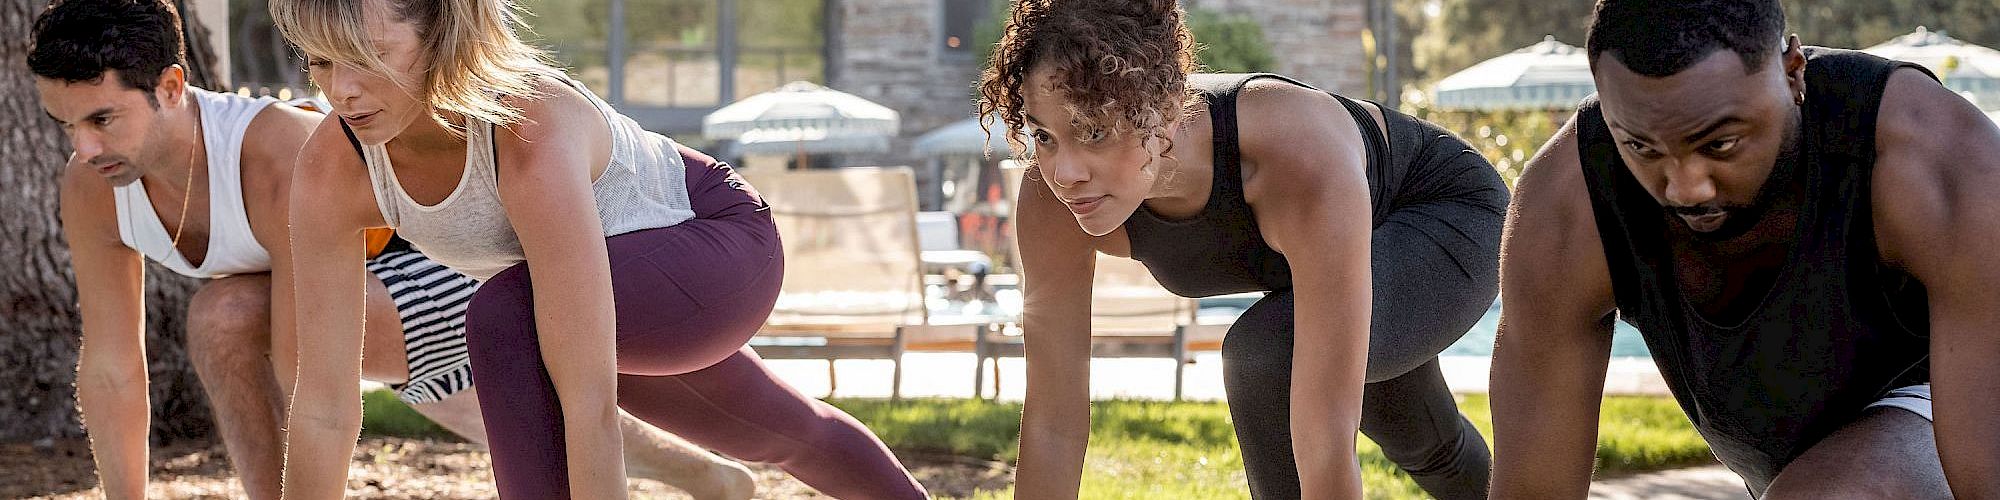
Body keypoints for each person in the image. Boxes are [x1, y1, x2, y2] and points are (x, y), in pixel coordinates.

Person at [29, 1, 755, 498]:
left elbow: (311, 378)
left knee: (483, 381)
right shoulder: (94, 182)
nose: (84, 147)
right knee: (226, 318)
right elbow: (111, 366)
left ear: (172, 86)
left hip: (440, 263)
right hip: (355, 289)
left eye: (103, 118)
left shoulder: (281, 153)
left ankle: (697, 474)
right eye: (66, 126)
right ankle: (708, 479)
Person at [267, 0, 930, 497]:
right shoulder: (332, 168)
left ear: (441, 34)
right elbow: (324, 403)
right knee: (779, 434)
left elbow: (589, 406)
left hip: (717, 244)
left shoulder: (523, 128)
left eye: (369, 57)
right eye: (322, 62)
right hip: (611, 291)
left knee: (502, 316)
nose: (341, 89)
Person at [977, 1, 1507, 497]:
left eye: (1093, 132)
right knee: (1429, 443)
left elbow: (1323, 440)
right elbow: (1053, 423)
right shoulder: (1051, 200)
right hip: (1325, 249)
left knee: (1269, 355)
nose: (1065, 172)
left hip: (1442, 212)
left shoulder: (1289, 154)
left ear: (1162, 108)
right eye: (1043, 135)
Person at [1489, 1, 2000, 498]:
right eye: (1642, 148)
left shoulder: (1934, 162)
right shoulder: (1567, 212)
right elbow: (1534, 490)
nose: (1686, 187)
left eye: (1720, 144)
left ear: (1794, 73)